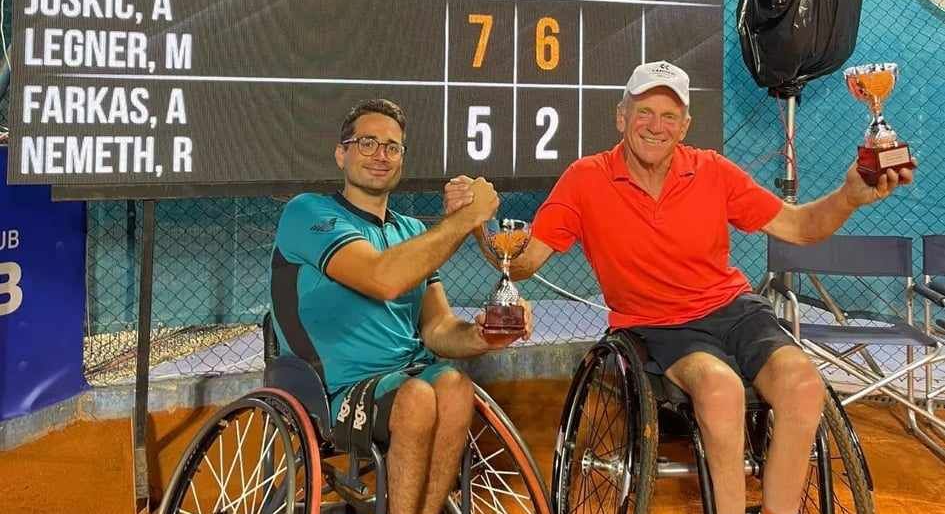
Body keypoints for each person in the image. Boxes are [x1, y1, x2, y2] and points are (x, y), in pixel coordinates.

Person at [451, 60, 915, 514]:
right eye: (644, 112)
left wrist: (849, 197)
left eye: (669, 115)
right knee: (720, 390)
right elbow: (523, 262)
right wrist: (475, 222)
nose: (656, 126)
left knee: (804, 384)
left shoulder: (713, 170)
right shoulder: (585, 179)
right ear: (621, 117)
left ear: (685, 125)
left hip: (735, 310)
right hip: (658, 326)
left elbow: (799, 227)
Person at [270, 98, 532, 514]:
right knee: (417, 399)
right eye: (367, 143)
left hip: (407, 378)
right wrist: (465, 219)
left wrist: (485, 334)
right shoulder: (307, 212)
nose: (381, 155)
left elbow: (438, 329)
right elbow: (382, 278)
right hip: (329, 391)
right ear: (341, 154)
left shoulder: (410, 231)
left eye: (392, 147)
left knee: (455, 386)